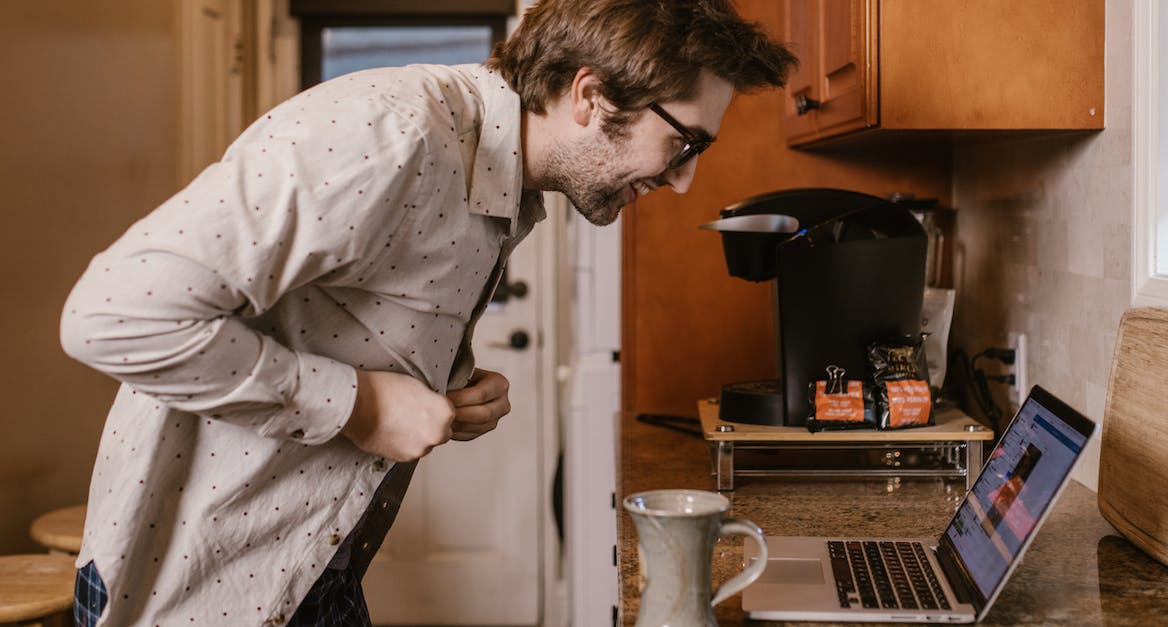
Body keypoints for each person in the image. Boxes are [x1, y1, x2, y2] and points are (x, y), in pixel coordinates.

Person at [60, 0, 796, 624]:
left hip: (306, 568)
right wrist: (360, 403)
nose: (684, 179)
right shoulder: (389, 136)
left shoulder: (504, 182)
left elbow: (335, 314)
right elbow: (114, 313)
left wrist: (444, 388)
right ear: (591, 96)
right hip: (202, 591)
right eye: (684, 142)